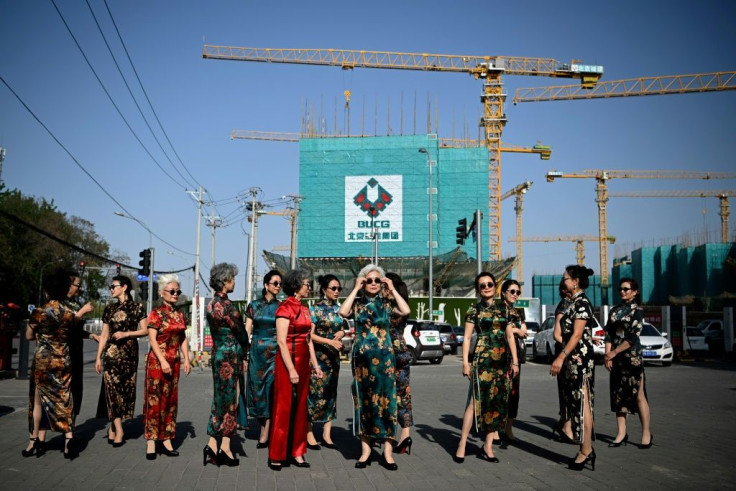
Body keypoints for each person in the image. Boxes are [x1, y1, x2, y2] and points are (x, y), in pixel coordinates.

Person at [339, 264, 410, 471]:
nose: (372, 283)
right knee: (364, 404)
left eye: (376, 280)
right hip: (362, 363)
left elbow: (406, 310)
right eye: (368, 280)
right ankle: (366, 451)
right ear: (363, 282)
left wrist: (392, 288)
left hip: (386, 362)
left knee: (388, 404)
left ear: (382, 283)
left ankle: (387, 453)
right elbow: (343, 311)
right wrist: (354, 289)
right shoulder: (358, 304)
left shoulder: (387, 304)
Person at [455, 272, 520, 464]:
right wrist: (465, 362)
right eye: (482, 285)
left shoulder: (504, 309)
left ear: (495, 286)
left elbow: (510, 337)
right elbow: (466, 338)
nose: (486, 288)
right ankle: (462, 444)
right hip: (482, 360)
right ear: (478, 289)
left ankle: (488, 446)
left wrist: (515, 361)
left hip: (502, 362)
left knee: (497, 403)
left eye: (489, 284)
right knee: (475, 403)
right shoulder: (473, 310)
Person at [24, 267, 87, 459]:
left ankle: (34, 441)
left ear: (47, 290)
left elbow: (28, 335)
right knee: (65, 399)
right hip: (63, 359)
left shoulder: (40, 311)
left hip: (43, 360)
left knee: (37, 401)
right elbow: (73, 333)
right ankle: (69, 440)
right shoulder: (69, 313)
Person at [268, 269, 323, 470]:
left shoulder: (305, 308)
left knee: (301, 408)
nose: (309, 287)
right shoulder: (285, 308)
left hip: (303, 363)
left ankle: (298, 452)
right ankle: (277, 453)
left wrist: (315, 365)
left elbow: (308, 340)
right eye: (307, 284)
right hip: (287, 363)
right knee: (283, 408)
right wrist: (291, 369)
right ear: (296, 285)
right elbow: (281, 342)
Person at [550, 265, 596, 471]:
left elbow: (576, 335)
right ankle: (585, 448)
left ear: (575, 281)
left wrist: (560, 356)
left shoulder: (583, 303)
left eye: (566, 278)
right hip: (573, 360)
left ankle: (586, 450)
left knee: (584, 405)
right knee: (577, 405)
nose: (563, 281)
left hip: (580, 360)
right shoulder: (572, 303)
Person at [204, 263, 250, 467]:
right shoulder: (228, 306)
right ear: (224, 281)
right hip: (231, 357)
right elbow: (241, 332)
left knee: (219, 400)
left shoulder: (210, 304)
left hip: (217, 354)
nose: (234, 282)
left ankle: (212, 446)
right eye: (232, 278)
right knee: (231, 401)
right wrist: (247, 348)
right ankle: (226, 448)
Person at [94, 275, 148, 447]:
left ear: (124, 287)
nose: (111, 289)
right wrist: (98, 357)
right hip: (111, 354)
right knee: (111, 390)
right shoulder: (109, 309)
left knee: (125, 392)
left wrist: (127, 334)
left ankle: (113, 426)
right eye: (110, 287)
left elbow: (145, 330)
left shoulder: (137, 307)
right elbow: (104, 335)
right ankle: (120, 430)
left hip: (129, 356)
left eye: (114, 286)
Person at [143, 274, 191, 460]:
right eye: (172, 291)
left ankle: (167, 439)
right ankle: (151, 441)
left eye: (177, 291)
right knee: (155, 400)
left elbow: (182, 338)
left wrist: (187, 358)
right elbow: (152, 339)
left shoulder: (179, 314)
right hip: (157, 362)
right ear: (162, 293)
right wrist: (162, 360)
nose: (175, 294)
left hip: (174, 362)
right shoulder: (156, 313)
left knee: (170, 401)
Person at [604, 277, 652, 449]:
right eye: (620, 289)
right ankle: (621, 433)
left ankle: (646, 433)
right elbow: (608, 333)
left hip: (632, 358)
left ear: (634, 291)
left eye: (626, 289)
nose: (622, 292)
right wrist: (607, 355)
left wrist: (614, 352)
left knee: (639, 395)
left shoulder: (638, 311)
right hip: (615, 358)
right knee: (618, 396)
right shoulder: (614, 310)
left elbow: (632, 337)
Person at [306, 274, 346, 450]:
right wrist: (330, 341)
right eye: (334, 288)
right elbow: (310, 336)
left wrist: (342, 333)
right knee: (314, 395)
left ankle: (327, 434)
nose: (337, 291)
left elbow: (343, 327)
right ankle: (309, 433)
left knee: (330, 395)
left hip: (334, 360)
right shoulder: (314, 309)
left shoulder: (339, 309)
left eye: (339, 288)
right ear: (324, 290)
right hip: (318, 358)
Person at [245, 270, 282, 448]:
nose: (278, 286)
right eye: (275, 283)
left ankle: (266, 430)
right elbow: (247, 330)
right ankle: (263, 424)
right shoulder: (253, 305)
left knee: (270, 389)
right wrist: (244, 354)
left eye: (279, 284)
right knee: (257, 390)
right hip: (256, 353)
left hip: (275, 352)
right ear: (266, 284)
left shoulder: (281, 307)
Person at [385, 272, 414, 455]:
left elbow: (406, 311)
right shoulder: (398, 304)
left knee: (387, 394)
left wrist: (390, 290)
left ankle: (389, 434)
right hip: (402, 352)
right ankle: (405, 436)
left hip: (389, 353)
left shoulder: (391, 307)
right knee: (403, 395)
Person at [64, 271, 97, 426]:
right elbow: (65, 328)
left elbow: (77, 330)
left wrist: (92, 336)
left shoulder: (75, 304)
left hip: (77, 352)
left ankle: (71, 427)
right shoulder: (59, 304)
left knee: (76, 389)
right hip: (63, 352)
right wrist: (82, 311)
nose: (79, 289)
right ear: (68, 285)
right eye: (77, 285)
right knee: (63, 390)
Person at [499, 279, 527, 443]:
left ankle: (508, 429)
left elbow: (524, 330)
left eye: (518, 292)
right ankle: (495, 429)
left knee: (514, 393)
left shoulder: (518, 311)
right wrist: (515, 329)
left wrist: (517, 330)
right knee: (500, 392)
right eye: (513, 291)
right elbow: (500, 331)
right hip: (500, 354)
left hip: (515, 355)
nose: (516, 295)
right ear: (503, 292)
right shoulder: (498, 310)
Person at [552, 279, 575, 444]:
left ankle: (563, 423)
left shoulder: (575, 304)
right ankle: (566, 427)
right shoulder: (563, 306)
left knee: (573, 391)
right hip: (565, 355)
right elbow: (556, 334)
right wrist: (569, 348)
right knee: (566, 391)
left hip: (573, 354)